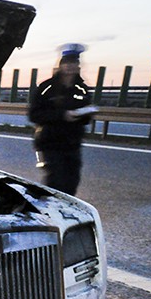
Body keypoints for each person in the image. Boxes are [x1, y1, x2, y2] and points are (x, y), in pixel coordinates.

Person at [28, 43, 97, 196]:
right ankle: (50, 215)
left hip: (72, 143)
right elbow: (34, 115)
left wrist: (82, 115)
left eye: (73, 63)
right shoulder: (46, 88)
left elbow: (87, 117)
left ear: (78, 65)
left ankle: (66, 216)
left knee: (72, 182)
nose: (70, 66)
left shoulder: (82, 88)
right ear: (61, 65)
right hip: (50, 142)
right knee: (56, 182)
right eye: (67, 63)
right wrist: (62, 116)